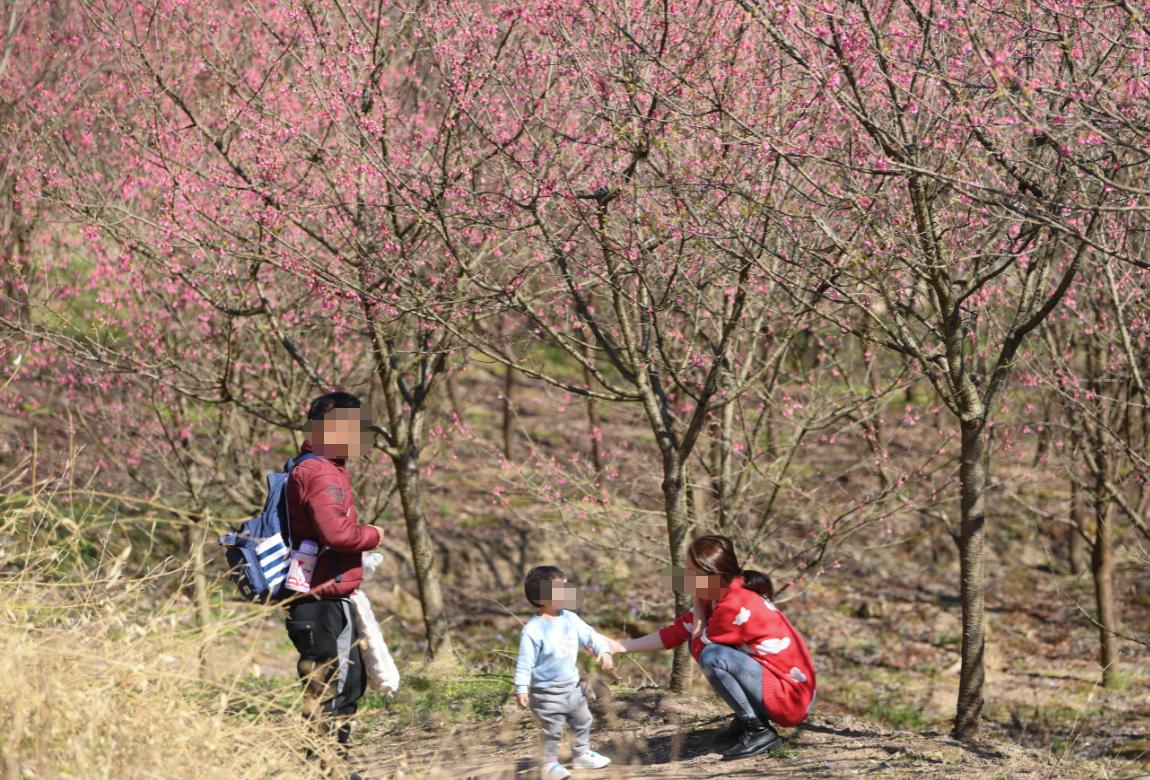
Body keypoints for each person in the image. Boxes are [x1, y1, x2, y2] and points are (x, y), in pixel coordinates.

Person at [614, 534, 816, 760]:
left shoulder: (734, 604)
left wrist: (697, 603)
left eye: (692, 572)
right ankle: (748, 717)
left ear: (713, 575)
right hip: (785, 688)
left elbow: (702, 649)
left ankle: (758, 730)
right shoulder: (721, 593)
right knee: (702, 644)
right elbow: (677, 632)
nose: (685, 577)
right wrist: (620, 646)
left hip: (790, 699)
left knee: (712, 654)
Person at [284, 391, 384, 749]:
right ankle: (329, 768)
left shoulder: (312, 465)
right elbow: (336, 533)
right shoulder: (320, 472)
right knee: (337, 691)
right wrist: (373, 534)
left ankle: (327, 767)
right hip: (323, 600)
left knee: (335, 687)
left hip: (319, 598)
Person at [514, 566, 615, 780]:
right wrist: (521, 687)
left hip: (572, 687)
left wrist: (603, 650)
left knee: (583, 719)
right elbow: (524, 662)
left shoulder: (570, 618)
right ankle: (548, 763)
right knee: (552, 728)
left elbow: (590, 635)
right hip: (545, 692)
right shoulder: (533, 629)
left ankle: (581, 754)